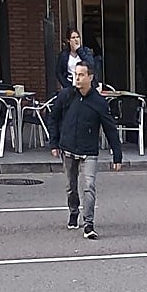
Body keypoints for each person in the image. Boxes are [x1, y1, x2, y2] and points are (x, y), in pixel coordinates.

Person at [46, 61, 122, 239]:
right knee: (71, 187)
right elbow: (53, 117)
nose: (77, 78)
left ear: (90, 77)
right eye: (75, 75)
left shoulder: (99, 102)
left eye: (81, 75)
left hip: (89, 151)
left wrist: (117, 155)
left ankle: (89, 224)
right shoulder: (66, 95)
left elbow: (110, 128)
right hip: (68, 148)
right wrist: (54, 143)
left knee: (89, 186)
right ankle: (74, 212)